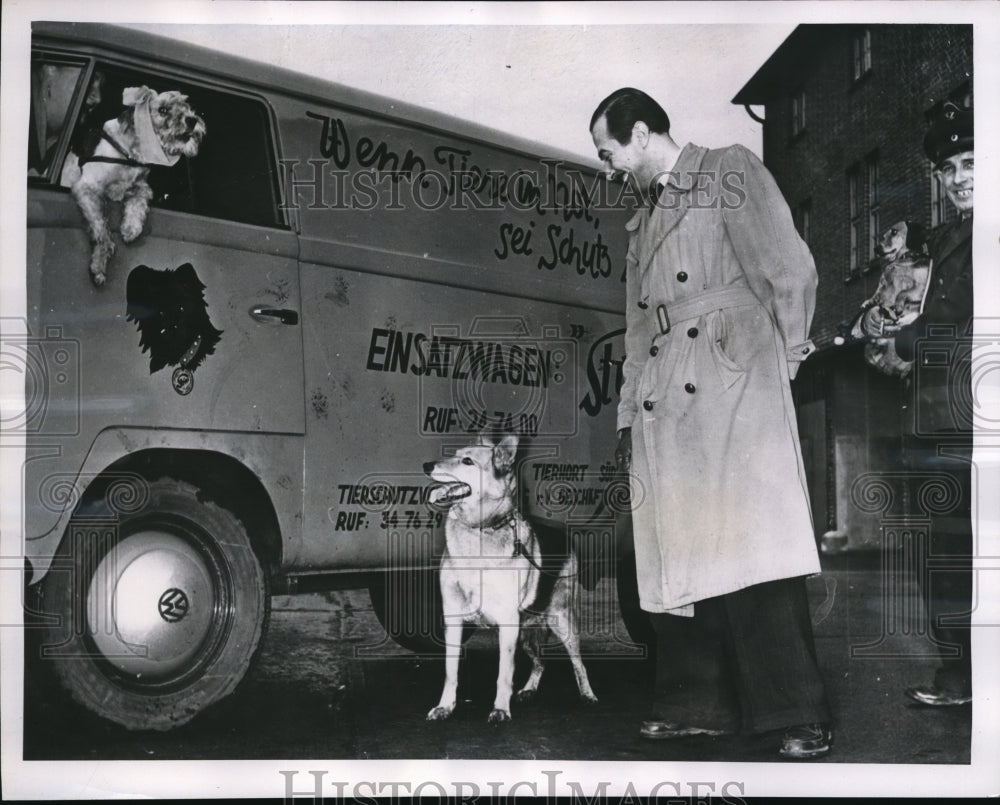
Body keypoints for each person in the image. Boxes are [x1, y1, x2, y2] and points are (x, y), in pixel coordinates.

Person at [590, 88, 831, 759]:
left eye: (608, 151)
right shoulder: (642, 222)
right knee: (680, 550)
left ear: (640, 133)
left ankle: (795, 712)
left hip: (732, 374)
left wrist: (782, 358)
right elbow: (640, 326)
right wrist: (628, 411)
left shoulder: (726, 168)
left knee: (754, 546)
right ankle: (697, 704)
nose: (608, 165)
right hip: (668, 393)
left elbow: (789, 268)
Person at [860, 101, 974, 707]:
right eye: (949, 167)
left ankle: (969, 677)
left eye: (973, 162)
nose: (960, 178)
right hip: (937, 418)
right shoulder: (946, 237)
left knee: (970, 553)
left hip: (976, 422)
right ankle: (960, 676)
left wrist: (899, 335)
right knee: (945, 554)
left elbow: (964, 319)